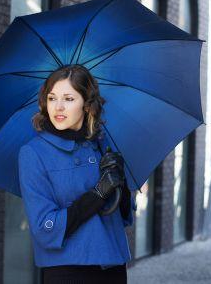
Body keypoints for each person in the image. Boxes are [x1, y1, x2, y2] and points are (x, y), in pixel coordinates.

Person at [17, 64, 136, 284]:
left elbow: (124, 216)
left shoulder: (101, 143)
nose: (58, 107)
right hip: (68, 271)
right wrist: (97, 194)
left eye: (69, 99)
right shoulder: (34, 153)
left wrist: (121, 184)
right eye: (52, 98)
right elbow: (45, 228)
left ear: (87, 105)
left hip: (112, 267)